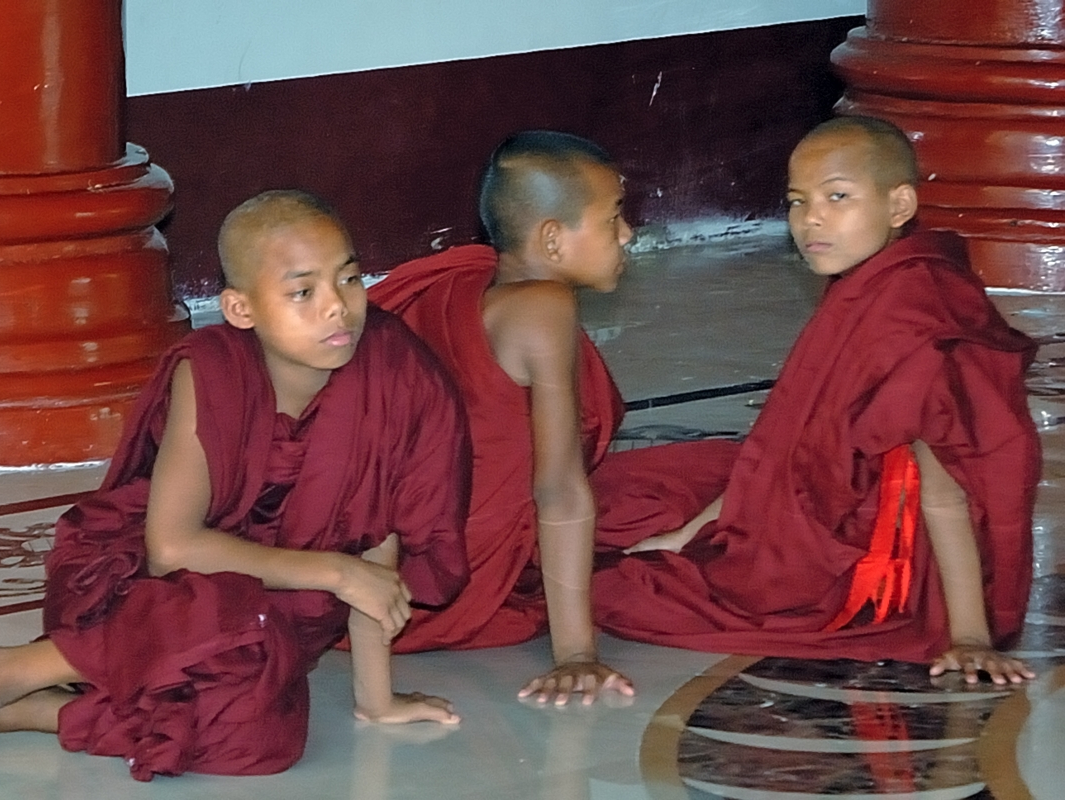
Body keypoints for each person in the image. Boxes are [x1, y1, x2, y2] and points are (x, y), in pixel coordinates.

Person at [0, 190, 472, 780]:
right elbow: (170, 548)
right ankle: (6, 671)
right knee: (211, 619)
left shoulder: (397, 373)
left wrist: (375, 701)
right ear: (240, 309)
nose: (337, 308)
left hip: (275, 609)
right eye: (303, 292)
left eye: (349, 280)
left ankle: (45, 710)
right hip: (156, 582)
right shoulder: (214, 371)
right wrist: (335, 571)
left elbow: (375, 539)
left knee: (261, 737)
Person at [594, 116, 1039, 685]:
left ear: (899, 205)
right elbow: (787, 440)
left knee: (619, 591)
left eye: (838, 197)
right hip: (845, 496)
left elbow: (947, 486)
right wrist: (689, 535)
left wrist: (970, 635)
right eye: (798, 201)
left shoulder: (919, 314)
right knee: (648, 498)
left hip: (880, 565)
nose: (811, 219)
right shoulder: (871, 281)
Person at [370, 131, 736, 705]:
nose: (627, 234)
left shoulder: (468, 279)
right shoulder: (545, 308)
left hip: (392, 559)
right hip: (454, 580)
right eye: (614, 217)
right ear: (551, 240)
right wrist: (577, 654)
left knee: (705, 473)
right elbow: (559, 489)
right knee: (734, 497)